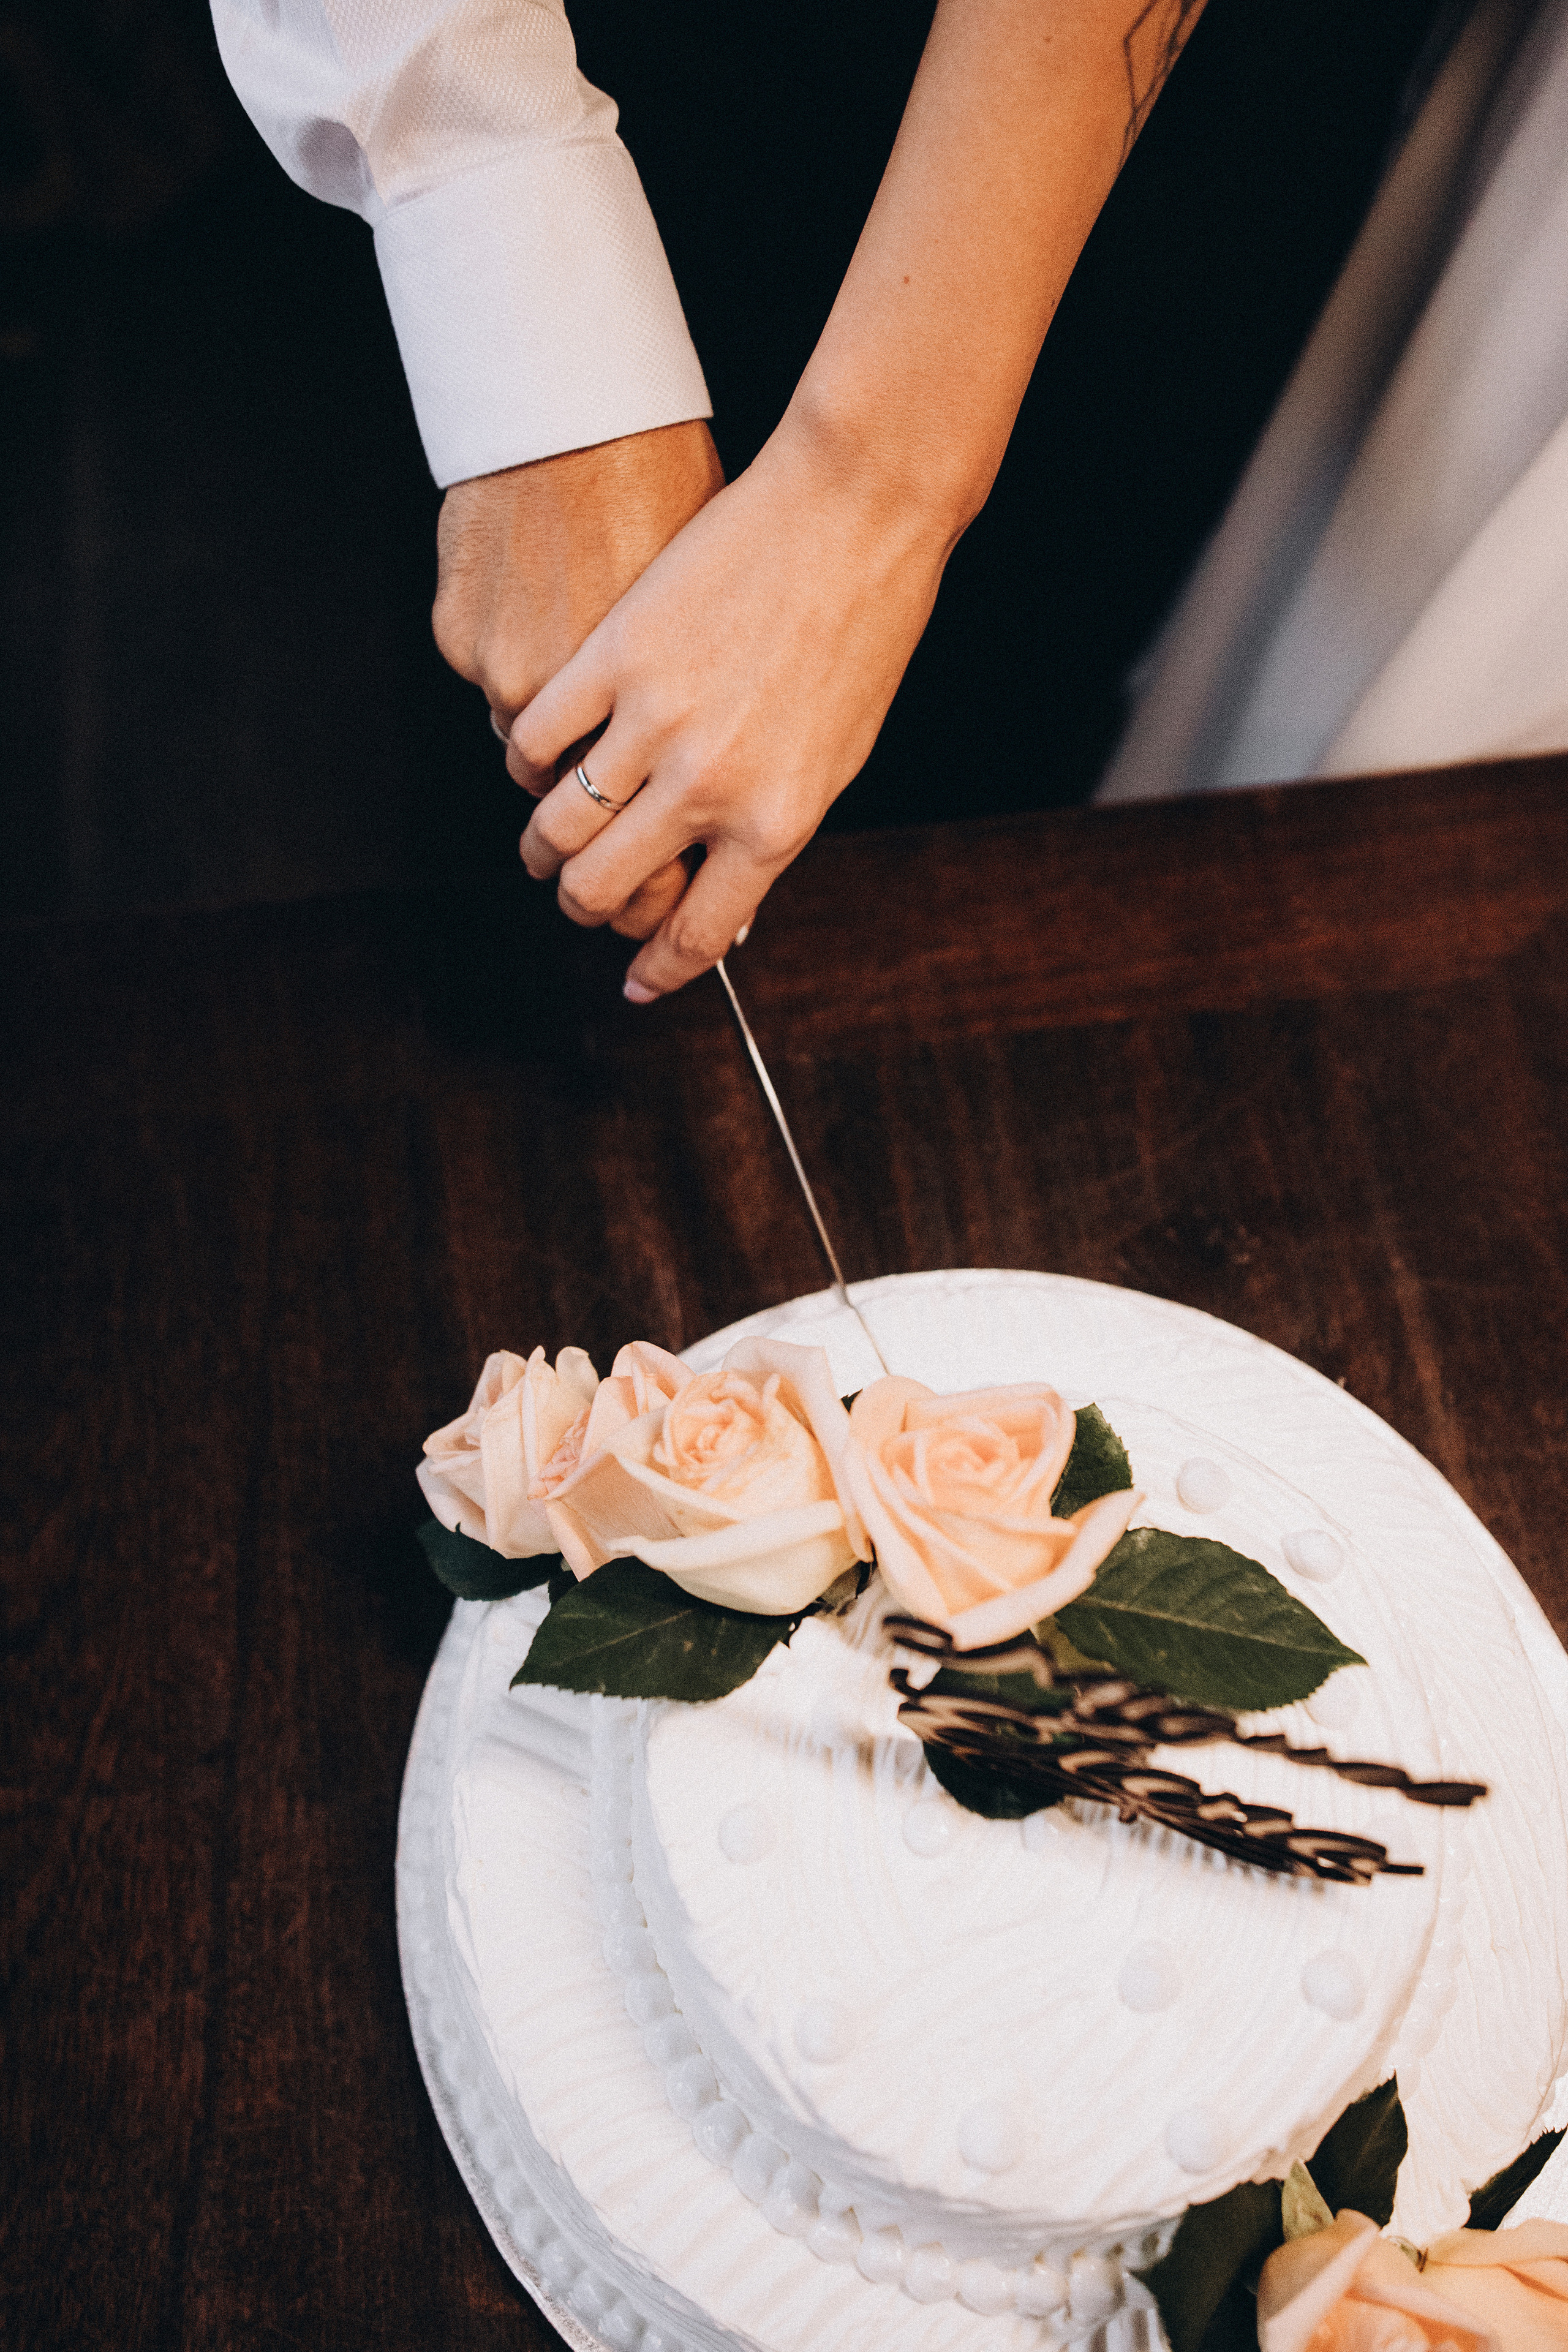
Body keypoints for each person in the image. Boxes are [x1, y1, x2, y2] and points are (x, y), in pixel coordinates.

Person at [213, 0, 1568, 998]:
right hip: (603, 71)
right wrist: (509, 261)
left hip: (1187, 101)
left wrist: (871, 494)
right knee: (533, 848)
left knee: (1010, 737)